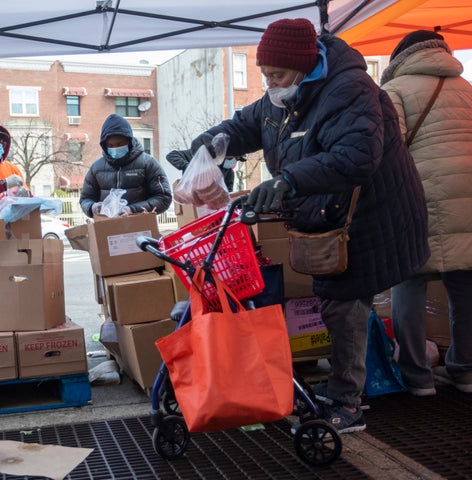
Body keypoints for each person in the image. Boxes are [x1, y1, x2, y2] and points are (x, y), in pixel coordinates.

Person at [169, 18, 429, 433]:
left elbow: (357, 156)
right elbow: (247, 124)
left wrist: (289, 179)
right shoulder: (282, 94)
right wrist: (210, 143)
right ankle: (349, 386)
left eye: (278, 74)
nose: (270, 82)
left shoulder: (349, 90)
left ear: (305, 66)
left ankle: (348, 406)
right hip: (330, 212)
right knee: (336, 298)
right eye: (265, 74)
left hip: (370, 216)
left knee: (342, 301)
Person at [380, 30, 472, 396]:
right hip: (467, 194)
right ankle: (465, 370)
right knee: (465, 284)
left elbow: (390, 149)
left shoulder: (395, 90)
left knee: (409, 278)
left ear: (399, 57)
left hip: (418, 193)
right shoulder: (466, 88)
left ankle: (417, 376)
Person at [80, 113, 172, 218]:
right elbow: (85, 199)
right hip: (106, 229)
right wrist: (92, 207)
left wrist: (132, 210)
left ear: (129, 141)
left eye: (120, 144)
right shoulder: (96, 168)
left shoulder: (148, 164)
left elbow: (164, 198)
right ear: (104, 146)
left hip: (141, 227)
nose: (115, 149)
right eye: (110, 145)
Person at [166, 144, 245, 192]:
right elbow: (171, 155)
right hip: (191, 201)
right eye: (235, 158)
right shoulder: (200, 156)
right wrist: (190, 167)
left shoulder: (228, 172)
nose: (235, 161)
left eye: (237, 159)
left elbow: (229, 194)